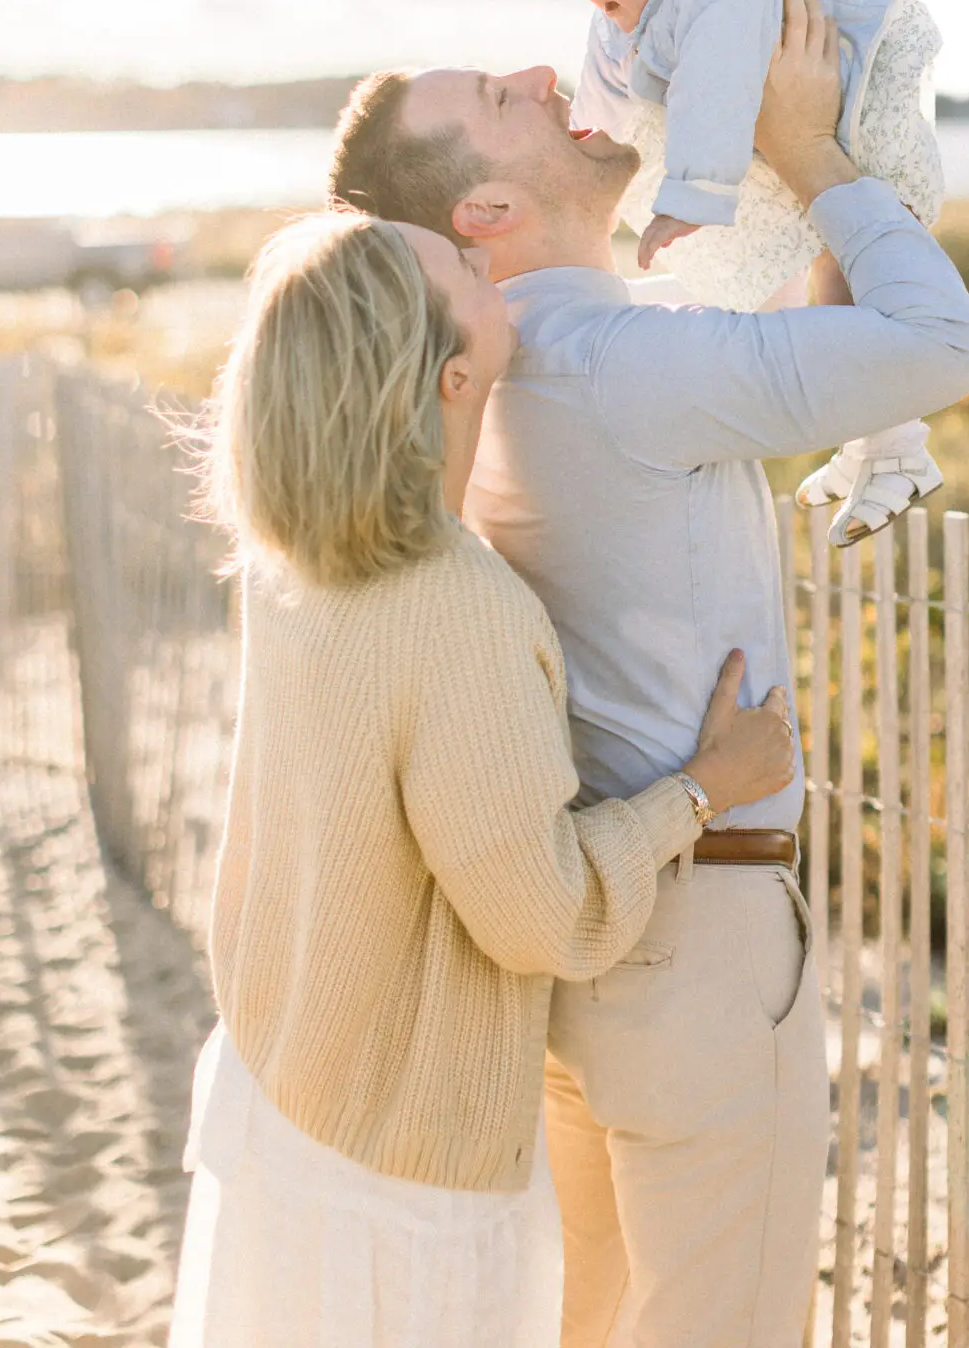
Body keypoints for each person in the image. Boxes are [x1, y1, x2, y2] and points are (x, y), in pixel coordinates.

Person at [328, 0, 969, 1347]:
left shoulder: (505, 372)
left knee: (602, 1317)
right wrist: (811, 151)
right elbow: (945, 345)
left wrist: (793, 166)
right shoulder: (623, 364)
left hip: (593, 938)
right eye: (501, 97)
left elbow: (801, 343)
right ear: (485, 212)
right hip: (698, 938)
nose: (541, 70)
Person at [167, 210, 795, 1348]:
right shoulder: (458, 608)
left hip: (276, 1084)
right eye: (458, 268)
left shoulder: (288, 560)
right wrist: (706, 785)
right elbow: (546, 917)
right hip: (393, 1164)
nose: (481, 256)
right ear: (455, 376)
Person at [553, 0, 946, 547]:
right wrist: (589, 148)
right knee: (831, 284)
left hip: (855, 116)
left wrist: (689, 198)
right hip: (804, 126)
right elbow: (608, 87)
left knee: (856, 283)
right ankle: (871, 438)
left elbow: (714, 87)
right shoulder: (650, 2)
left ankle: (895, 449)